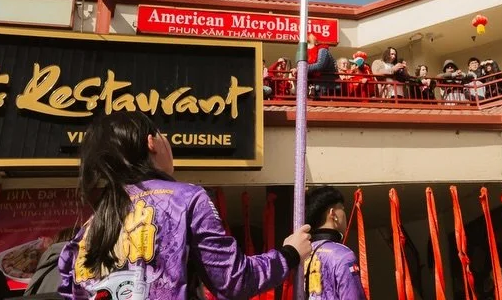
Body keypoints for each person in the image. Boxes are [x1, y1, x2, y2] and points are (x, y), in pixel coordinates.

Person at [57, 111, 312, 300]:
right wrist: (288, 254)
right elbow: (233, 280)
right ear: (151, 143)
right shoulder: (186, 199)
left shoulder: (89, 228)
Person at [304, 186, 367, 300]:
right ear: (333, 214)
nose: (344, 215)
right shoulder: (342, 254)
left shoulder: (302, 253)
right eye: (342, 209)